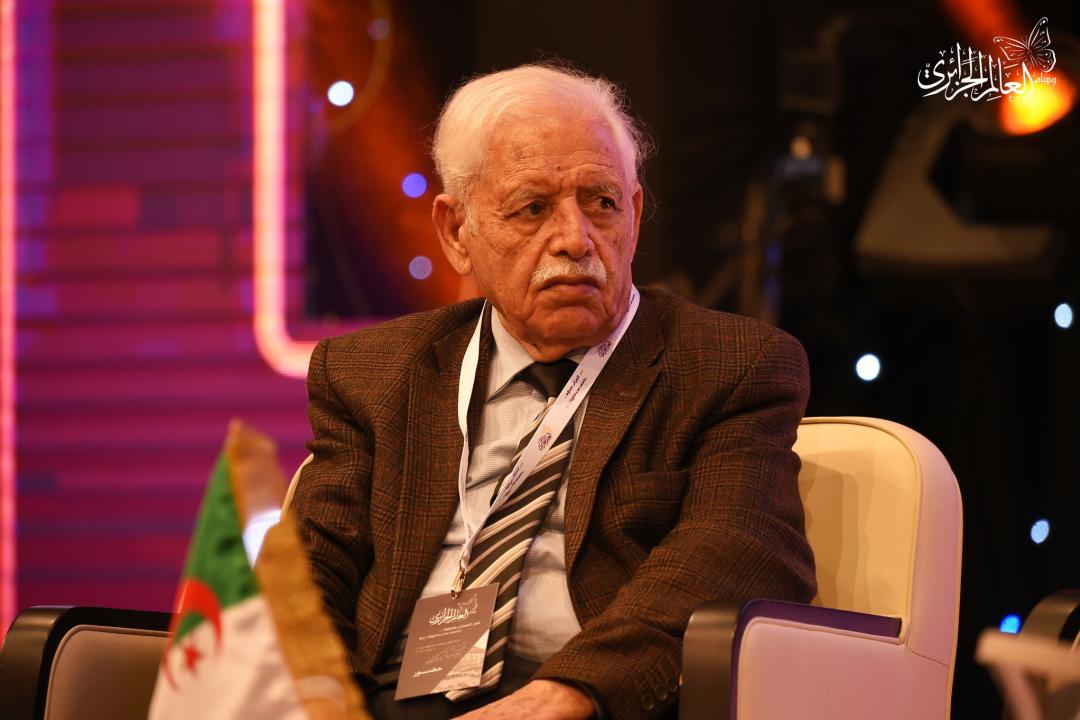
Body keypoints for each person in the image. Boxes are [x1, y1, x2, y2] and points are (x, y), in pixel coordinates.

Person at [289, 63, 815, 720]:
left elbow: (738, 549)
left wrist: (570, 693)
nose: (574, 239)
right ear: (456, 232)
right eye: (533, 208)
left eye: (601, 203)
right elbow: (311, 570)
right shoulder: (372, 371)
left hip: (587, 701)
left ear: (635, 213)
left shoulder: (728, 364)